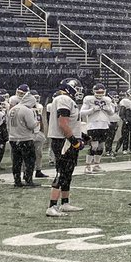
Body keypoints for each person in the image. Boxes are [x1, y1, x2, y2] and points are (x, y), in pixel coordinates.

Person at [46, 78, 85, 217]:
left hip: (66, 140)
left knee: (67, 173)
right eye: (77, 88)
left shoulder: (66, 100)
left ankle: (65, 203)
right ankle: (52, 206)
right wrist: (74, 141)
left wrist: (82, 136)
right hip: (63, 141)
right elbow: (63, 124)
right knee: (61, 172)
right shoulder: (64, 99)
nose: (79, 92)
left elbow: (70, 124)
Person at [81, 84, 115, 174]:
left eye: (101, 92)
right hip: (93, 125)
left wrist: (108, 109)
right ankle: (88, 166)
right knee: (94, 146)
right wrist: (92, 110)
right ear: (94, 91)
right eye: (98, 92)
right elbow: (82, 112)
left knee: (101, 147)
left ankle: (96, 165)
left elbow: (112, 113)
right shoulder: (89, 99)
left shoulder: (107, 100)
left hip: (104, 125)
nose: (100, 94)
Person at [6, 94, 37, 189]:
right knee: (29, 160)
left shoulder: (12, 109)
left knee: (16, 161)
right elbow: (31, 125)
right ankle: (28, 180)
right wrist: (36, 123)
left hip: (13, 138)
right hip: (25, 138)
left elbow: (8, 125)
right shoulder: (27, 110)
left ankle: (17, 180)